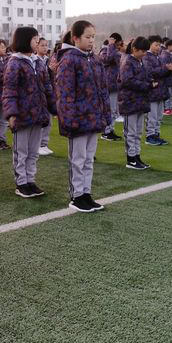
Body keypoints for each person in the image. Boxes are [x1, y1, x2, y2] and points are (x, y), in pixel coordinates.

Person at [56, 21, 110, 212]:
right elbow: (65, 93)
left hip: (93, 118)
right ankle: (76, 196)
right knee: (77, 160)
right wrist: (70, 120)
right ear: (75, 38)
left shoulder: (94, 59)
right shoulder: (69, 60)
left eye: (93, 37)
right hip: (78, 120)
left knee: (88, 159)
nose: (91, 40)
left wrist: (105, 114)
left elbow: (103, 90)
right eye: (87, 37)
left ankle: (86, 193)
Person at [3, 26, 55, 197]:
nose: (37, 42)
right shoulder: (14, 62)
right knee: (21, 151)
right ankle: (21, 183)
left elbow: (47, 87)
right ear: (25, 40)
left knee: (33, 151)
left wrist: (53, 107)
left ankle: (30, 180)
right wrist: (11, 114)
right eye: (34, 39)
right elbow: (9, 90)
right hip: (22, 115)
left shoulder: (38, 62)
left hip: (38, 114)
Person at [119, 37, 156, 170]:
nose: (145, 53)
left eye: (146, 51)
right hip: (130, 102)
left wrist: (150, 82)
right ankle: (131, 158)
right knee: (131, 132)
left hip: (140, 101)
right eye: (143, 51)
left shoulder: (140, 61)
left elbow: (145, 77)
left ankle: (137, 156)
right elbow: (127, 81)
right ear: (134, 49)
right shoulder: (128, 62)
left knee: (138, 132)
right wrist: (148, 85)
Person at [143, 35, 172, 145]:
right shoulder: (146, 57)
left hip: (160, 91)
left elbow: (162, 73)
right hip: (152, 91)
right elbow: (150, 72)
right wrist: (166, 68)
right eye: (156, 45)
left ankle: (156, 134)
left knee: (159, 116)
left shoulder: (158, 57)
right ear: (149, 44)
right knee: (152, 116)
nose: (158, 47)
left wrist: (169, 70)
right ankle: (150, 136)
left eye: (159, 45)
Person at [99, 33, 123, 140]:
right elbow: (108, 59)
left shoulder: (116, 52)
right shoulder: (104, 51)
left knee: (114, 110)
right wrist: (111, 46)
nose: (119, 45)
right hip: (108, 85)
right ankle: (106, 131)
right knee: (109, 110)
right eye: (118, 43)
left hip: (115, 85)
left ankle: (110, 130)